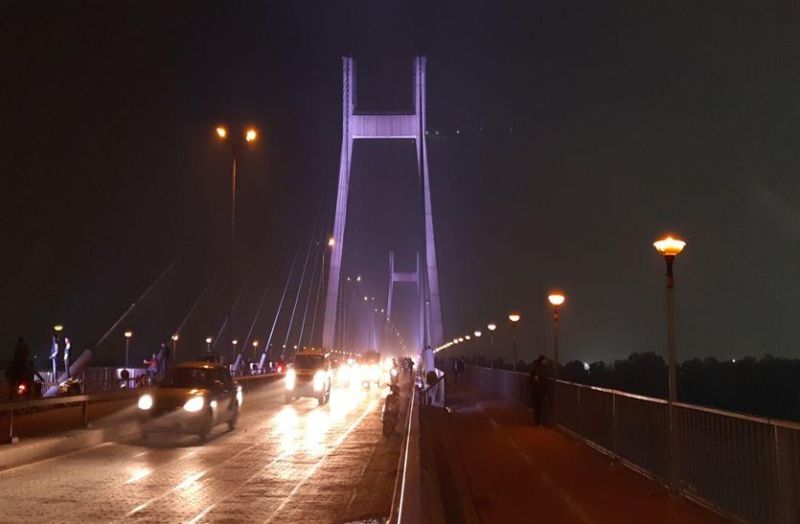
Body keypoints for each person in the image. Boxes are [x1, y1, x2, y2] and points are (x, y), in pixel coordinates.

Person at [528, 354, 550, 425]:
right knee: (539, 406)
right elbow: (543, 380)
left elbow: (531, 380)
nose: (545, 361)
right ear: (542, 360)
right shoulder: (541, 369)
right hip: (539, 390)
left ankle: (538, 421)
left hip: (536, 390)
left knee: (537, 406)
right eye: (544, 360)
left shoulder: (535, 368)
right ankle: (539, 421)